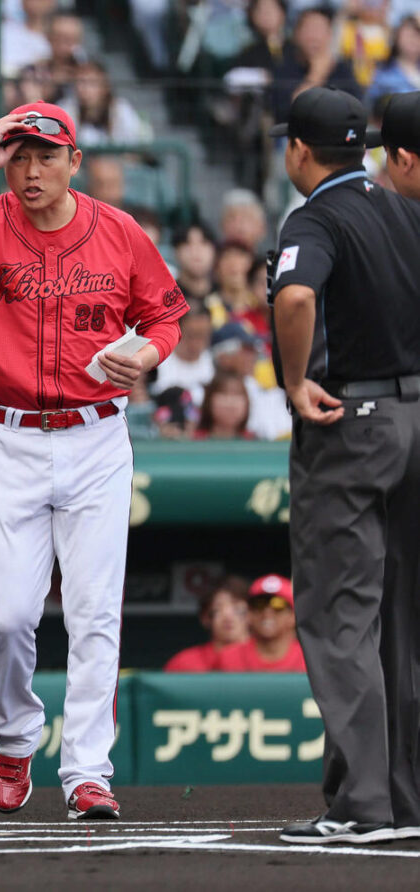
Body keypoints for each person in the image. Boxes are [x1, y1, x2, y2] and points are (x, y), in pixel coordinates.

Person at [0, 102, 186, 821]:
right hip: (14, 436)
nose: (31, 171)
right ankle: (16, 737)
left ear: (74, 161)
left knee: (94, 614)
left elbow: (165, 313)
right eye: (19, 156)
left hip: (96, 436)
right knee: (9, 617)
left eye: (45, 156)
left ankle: (88, 771)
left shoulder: (118, 230)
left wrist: (149, 352)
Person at [269, 85, 418, 844]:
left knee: (339, 617)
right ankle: (401, 800)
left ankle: (364, 805)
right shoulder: (403, 205)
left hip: (353, 423)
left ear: (299, 148)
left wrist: (295, 382)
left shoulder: (318, 215)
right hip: (416, 418)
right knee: (403, 620)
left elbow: (295, 296)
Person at [215, 574, 306, 671]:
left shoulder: (308, 658)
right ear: (249, 614)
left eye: (278, 605)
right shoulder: (229, 658)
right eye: (259, 604)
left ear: (292, 616)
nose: (267, 613)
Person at [164, 576, 251, 672]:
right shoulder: (184, 663)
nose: (228, 616)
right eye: (218, 609)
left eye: (236, 607)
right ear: (205, 618)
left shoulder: (265, 657)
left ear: (252, 614)